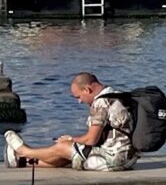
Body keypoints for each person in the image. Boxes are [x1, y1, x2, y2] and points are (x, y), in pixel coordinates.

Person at [5, 73, 137, 171]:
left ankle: (24, 151)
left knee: (62, 147)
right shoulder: (117, 95)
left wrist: (70, 139)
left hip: (113, 159)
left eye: (79, 96)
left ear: (87, 90)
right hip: (128, 158)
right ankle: (21, 161)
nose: (79, 101)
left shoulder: (100, 103)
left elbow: (91, 140)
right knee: (68, 155)